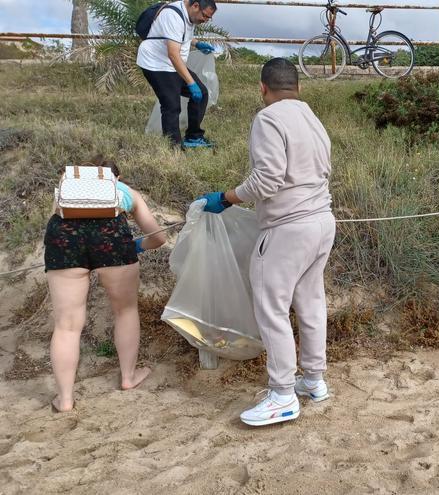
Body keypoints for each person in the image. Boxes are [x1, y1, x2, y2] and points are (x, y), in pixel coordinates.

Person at [198, 58, 335, 427]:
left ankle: (282, 394)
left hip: (287, 228)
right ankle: (314, 381)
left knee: (271, 307)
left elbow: (268, 179)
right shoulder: (312, 117)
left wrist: (227, 197)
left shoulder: (269, 118)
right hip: (322, 222)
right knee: (310, 302)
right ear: (298, 87)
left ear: (263, 89)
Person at [44, 156, 166, 412]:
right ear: (114, 177)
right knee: (125, 310)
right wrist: (135, 246)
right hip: (112, 242)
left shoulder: (67, 187)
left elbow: (55, 220)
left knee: (67, 326)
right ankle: (128, 377)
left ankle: (65, 399)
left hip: (64, 242)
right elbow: (158, 238)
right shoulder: (124, 191)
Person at [137, 0, 217, 149]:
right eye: (205, 16)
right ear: (195, 6)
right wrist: (190, 83)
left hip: (172, 64)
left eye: (208, 18)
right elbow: (173, 54)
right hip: (156, 64)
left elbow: (180, 34)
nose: (205, 21)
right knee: (171, 105)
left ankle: (194, 137)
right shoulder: (172, 15)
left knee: (202, 93)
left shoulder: (189, 15)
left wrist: (196, 43)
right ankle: (173, 148)